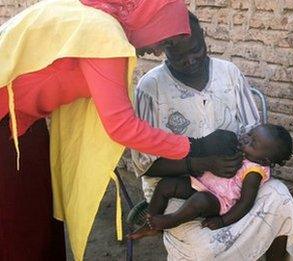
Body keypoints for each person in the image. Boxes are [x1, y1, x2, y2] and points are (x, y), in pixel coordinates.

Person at [0, 1, 241, 260]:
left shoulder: (94, 15)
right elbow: (123, 128)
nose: (159, 52)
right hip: (7, 119)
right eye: (166, 42)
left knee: (39, 209)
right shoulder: (105, 35)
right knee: (19, 219)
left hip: (22, 118)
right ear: (152, 20)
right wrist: (198, 146)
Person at [126, 12, 293, 261]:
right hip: (179, 185)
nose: (190, 61)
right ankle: (158, 223)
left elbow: (254, 133)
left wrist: (237, 161)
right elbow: (145, 166)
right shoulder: (150, 88)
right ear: (163, 49)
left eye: (196, 50)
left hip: (234, 181)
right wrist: (203, 163)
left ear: (204, 37)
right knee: (203, 249)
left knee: (281, 199)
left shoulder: (229, 73)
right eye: (179, 56)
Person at [128, 124, 293, 238]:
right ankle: (151, 221)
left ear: (264, 160)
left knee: (200, 201)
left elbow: (244, 203)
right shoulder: (242, 151)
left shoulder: (254, 173)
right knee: (166, 185)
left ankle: (172, 220)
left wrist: (222, 221)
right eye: (249, 135)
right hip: (201, 183)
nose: (245, 140)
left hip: (218, 200)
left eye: (252, 142)